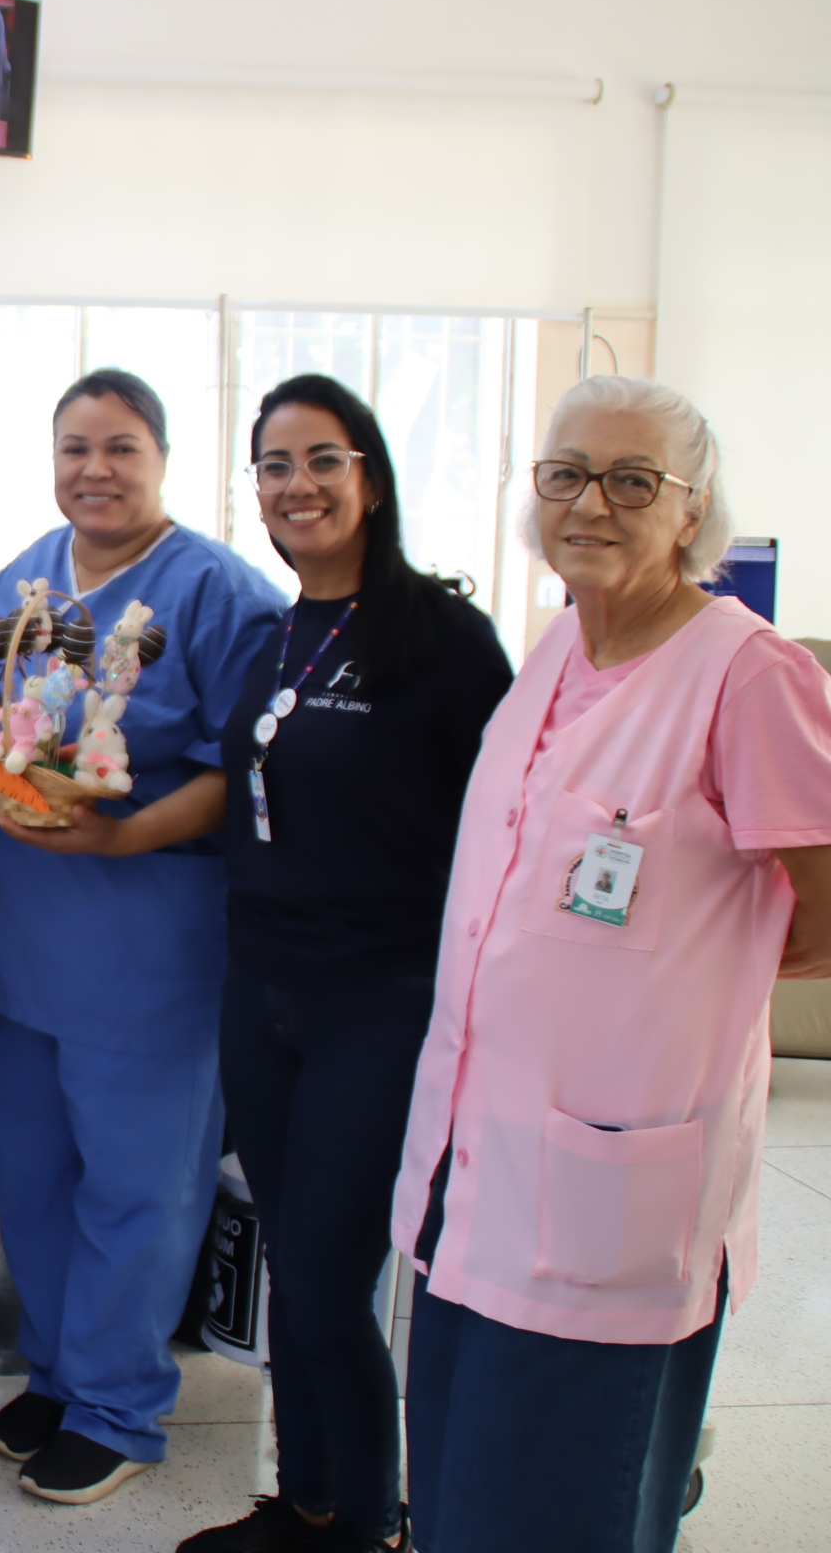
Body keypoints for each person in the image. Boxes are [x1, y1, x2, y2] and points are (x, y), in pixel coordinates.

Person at [391, 376, 831, 1553]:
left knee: (560, 1513)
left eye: (634, 481)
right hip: (476, 1168)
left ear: (691, 511)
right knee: (461, 1501)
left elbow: (819, 912)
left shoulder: (749, 673)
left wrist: (686, 978)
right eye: (566, 473)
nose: (592, 502)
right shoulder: (559, 645)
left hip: (609, 1193)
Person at [0, 368, 283, 1503]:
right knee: (33, 1181)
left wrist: (124, 840)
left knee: (139, 1185)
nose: (96, 469)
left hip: (152, 948)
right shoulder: (25, 578)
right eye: (75, 447)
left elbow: (249, 771)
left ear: (163, 458)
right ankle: (62, 1373)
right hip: (30, 948)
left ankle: (122, 1405)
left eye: (120, 447)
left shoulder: (224, 597)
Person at [176, 376, 512, 1553]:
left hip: (380, 1003)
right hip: (259, 992)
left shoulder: (444, 639)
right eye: (274, 465)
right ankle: (305, 1500)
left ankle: (363, 1523)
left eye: (323, 459)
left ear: (369, 475)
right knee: (293, 1272)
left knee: (326, 1283)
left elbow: (509, 826)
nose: (297, 485)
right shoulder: (280, 633)